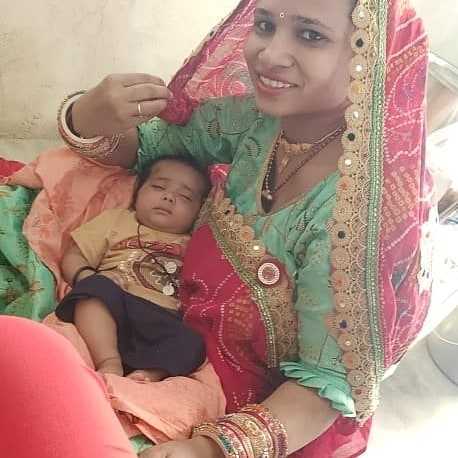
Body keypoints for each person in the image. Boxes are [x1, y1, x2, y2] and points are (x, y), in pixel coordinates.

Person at [0, 0, 433, 457]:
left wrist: (208, 448)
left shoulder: (358, 217)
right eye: (265, 25)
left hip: (238, 400)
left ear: (370, 55)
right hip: (160, 302)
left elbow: (327, 383)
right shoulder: (258, 123)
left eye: (309, 35)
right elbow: (154, 149)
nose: (269, 53)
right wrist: (87, 114)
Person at [55, 155, 210, 381]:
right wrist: (87, 276)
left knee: (193, 342)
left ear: (198, 212)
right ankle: (108, 361)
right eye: (159, 187)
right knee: (92, 291)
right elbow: (73, 255)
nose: (169, 197)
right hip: (116, 302)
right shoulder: (118, 221)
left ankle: (150, 374)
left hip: (162, 318)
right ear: (137, 191)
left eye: (185, 197)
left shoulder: (195, 244)